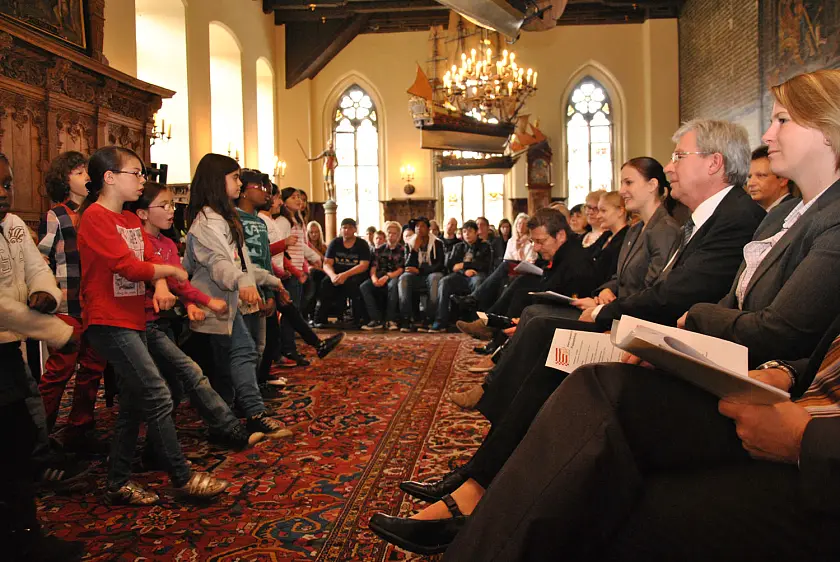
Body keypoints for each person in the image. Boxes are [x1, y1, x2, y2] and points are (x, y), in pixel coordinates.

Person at [77, 146, 229, 504]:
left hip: (132, 319)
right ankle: (182, 477)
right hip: (107, 318)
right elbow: (128, 267)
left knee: (133, 402)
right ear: (109, 177)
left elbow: (146, 259)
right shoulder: (96, 217)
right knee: (158, 392)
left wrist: (163, 283)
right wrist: (171, 270)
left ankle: (117, 483)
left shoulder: (131, 220)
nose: (142, 180)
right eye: (136, 173)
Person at [129, 182, 262, 451]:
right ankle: (227, 428)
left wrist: (194, 303)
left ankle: (154, 449)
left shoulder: (167, 243)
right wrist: (204, 299)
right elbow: (155, 274)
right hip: (138, 323)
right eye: (164, 205)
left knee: (171, 387)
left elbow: (180, 283)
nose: (171, 211)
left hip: (162, 322)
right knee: (186, 376)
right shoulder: (136, 241)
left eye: (172, 205)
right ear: (142, 213)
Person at [184, 153, 293, 441]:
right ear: (216, 181)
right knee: (234, 358)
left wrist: (270, 281)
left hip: (227, 303)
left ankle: (235, 419)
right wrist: (242, 282)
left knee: (233, 359)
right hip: (213, 304)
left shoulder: (225, 218)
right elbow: (220, 264)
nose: (240, 183)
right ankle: (241, 418)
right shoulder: (206, 223)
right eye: (234, 178)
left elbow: (243, 263)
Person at [36, 151, 108, 453]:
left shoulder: (97, 212)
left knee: (92, 368)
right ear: (64, 181)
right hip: (68, 304)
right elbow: (42, 258)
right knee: (60, 370)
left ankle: (80, 429)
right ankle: (38, 434)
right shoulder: (57, 215)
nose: (86, 177)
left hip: (94, 304)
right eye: (78, 172)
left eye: (87, 172)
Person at [576, 157, 681, 310]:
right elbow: (622, 278)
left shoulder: (665, 230)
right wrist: (607, 290)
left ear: (652, 185)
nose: (621, 191)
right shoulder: (634, 229)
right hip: (622, 312)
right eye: (621, 183)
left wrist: (602, 309)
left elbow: (653, 291)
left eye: (629, 183)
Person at [273, 187, 324, 364]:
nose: (299, 200)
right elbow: (280, 246)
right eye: (293, 197)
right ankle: (288, 349)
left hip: (296, 270)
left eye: (300, 197)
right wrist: (293, 270)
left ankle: (289, 347)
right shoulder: (283, 221)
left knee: (294, 311)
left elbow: (300, 245)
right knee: (290, 314)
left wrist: (315, 258)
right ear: (284, 201)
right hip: (288, 271)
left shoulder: (297, 220)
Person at [430, 220, 492, 332]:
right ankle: (440, 321)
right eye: (464, 232)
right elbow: (451, 266)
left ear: (476, 232)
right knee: (444, 281)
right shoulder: (458, 246)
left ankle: (476, 321)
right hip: (460, 276)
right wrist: (465, 271)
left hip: (477, 275)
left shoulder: (485, 246)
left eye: (470, 231)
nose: (467, 234)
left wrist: (464, 265)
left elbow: (484, 265)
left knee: (478, 282)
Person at [315, 217, 371, 327]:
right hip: (336, 274)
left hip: (355, 274)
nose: (346, 230)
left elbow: (363, 265)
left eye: (350, 228)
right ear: (340, 229)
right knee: (325, 283)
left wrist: (345, 275)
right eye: (344, 228)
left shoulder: (362, 244)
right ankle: (320, 319)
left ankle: (357, 320)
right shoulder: (335, 243)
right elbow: (326, 263)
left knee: (353, 285)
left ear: (355, 229)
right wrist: (332, 276)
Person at [398, 216, 445, 332]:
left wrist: (420, 271)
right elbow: (408, 266)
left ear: (428, 229)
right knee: (404, 278)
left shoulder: (437, 243)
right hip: (416, 276)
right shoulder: (409, 243)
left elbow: (440, 265)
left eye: (422, 226)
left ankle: (429, 319)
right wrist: (414, 249)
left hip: (432, 274)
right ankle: (406, 319)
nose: (419, 228)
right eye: (417, 226)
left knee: (435, 278)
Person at [360, 221, 405, 330]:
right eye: (389, 232)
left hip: (394, 276)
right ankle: (376, 319)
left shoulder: (402, 249)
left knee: (393, 285)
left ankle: (390, 319)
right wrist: (374, 278)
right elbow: (373, 267)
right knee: (364, 286)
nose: (391, 235)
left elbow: (401, 269)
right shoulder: (379, 249)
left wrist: (387, 277)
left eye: (394, 233)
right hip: (380, 275)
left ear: (399, 235)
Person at [747, 144, 796, 211]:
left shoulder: (792, 212)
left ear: (783, 179)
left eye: (760, 175)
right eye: (749, 177)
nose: (750, 183)